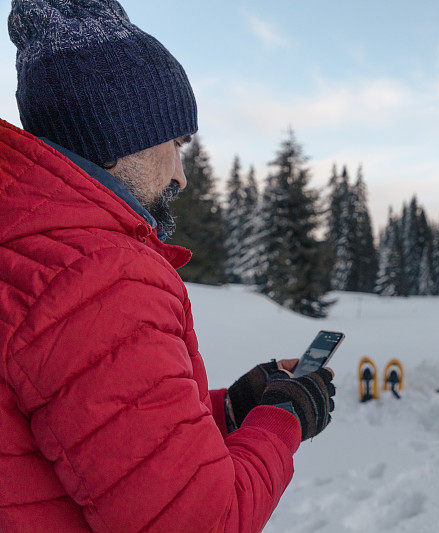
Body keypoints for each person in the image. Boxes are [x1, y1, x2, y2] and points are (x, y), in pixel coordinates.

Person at [0, 0, 335, 531]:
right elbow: (200, 521)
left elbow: (92, 431)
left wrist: (230, 410)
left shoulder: (29, 246)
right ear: (115, 135)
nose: (181, 176)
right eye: (176, 143)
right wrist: (281, 419)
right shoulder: (99, 274)